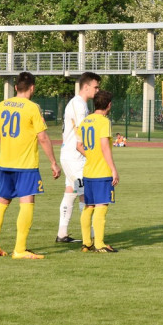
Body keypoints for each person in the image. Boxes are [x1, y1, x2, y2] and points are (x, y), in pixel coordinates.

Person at [0, 71, 61, 260]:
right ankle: (20, 249)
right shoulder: (33, 108)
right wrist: (53, 162)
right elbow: (42, 137)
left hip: (5, 164)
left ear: (16, 87)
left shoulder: (2, 106)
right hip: (25, 165)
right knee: (27, 203)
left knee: (2, 202)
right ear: (32, 88)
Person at [56, 71, 101, 244]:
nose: (97, 91)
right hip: (74, 156)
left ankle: (62, 233)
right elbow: (81, 136)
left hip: (72, 155)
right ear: (86, 86)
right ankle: (89, 237)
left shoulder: (80, 104)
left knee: (71, 192)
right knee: (86, 194)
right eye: (95, 87)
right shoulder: (79, 105)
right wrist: (92, 155)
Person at [75, 90, 119, 253]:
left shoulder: (85, 121)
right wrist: (113, 169)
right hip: (102, 172)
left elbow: (78, 145)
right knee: (102, 206)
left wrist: (92, 156)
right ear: (109, 105)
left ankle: (87, 243)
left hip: (88, 171)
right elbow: (104, 146)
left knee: (89, 206)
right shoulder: (103, 121)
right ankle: (99, 243)